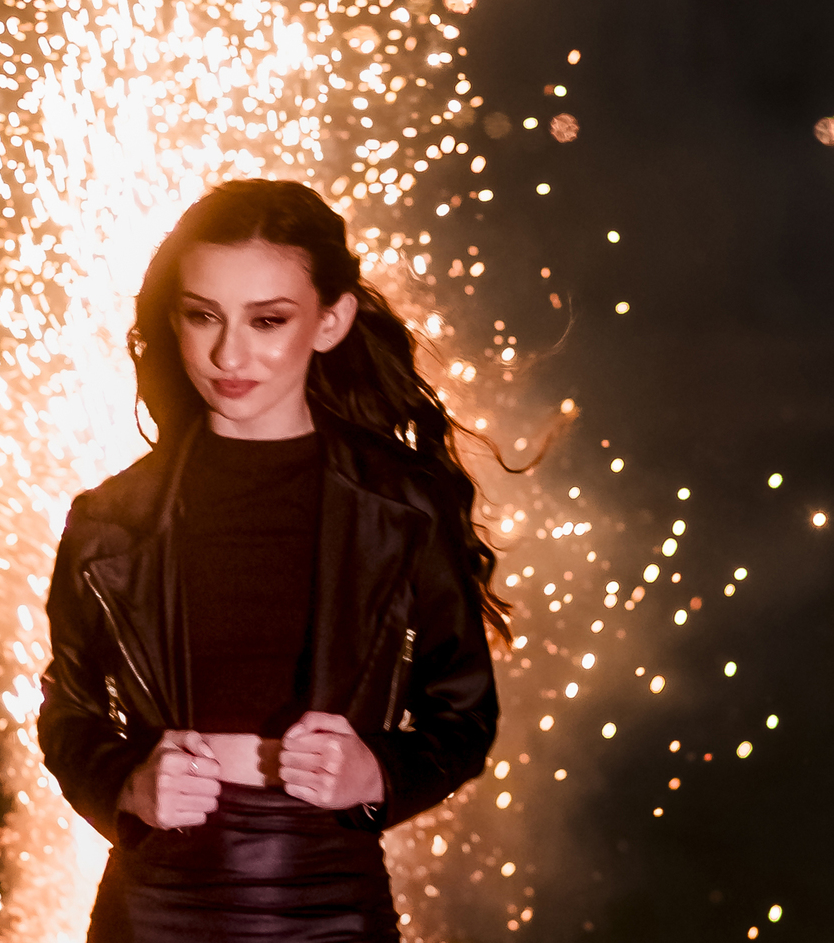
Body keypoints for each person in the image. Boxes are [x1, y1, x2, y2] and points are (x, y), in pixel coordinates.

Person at [38, 179, 506, 941]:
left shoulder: (402, 508)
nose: (229, 353)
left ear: (332, 321)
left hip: (330, 897)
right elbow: (69, 711)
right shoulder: (108, 521)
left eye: (267, 320)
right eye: (202, 317)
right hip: (156, 904)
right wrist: (126, 785)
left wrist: (377, 774)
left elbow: (463, 715)